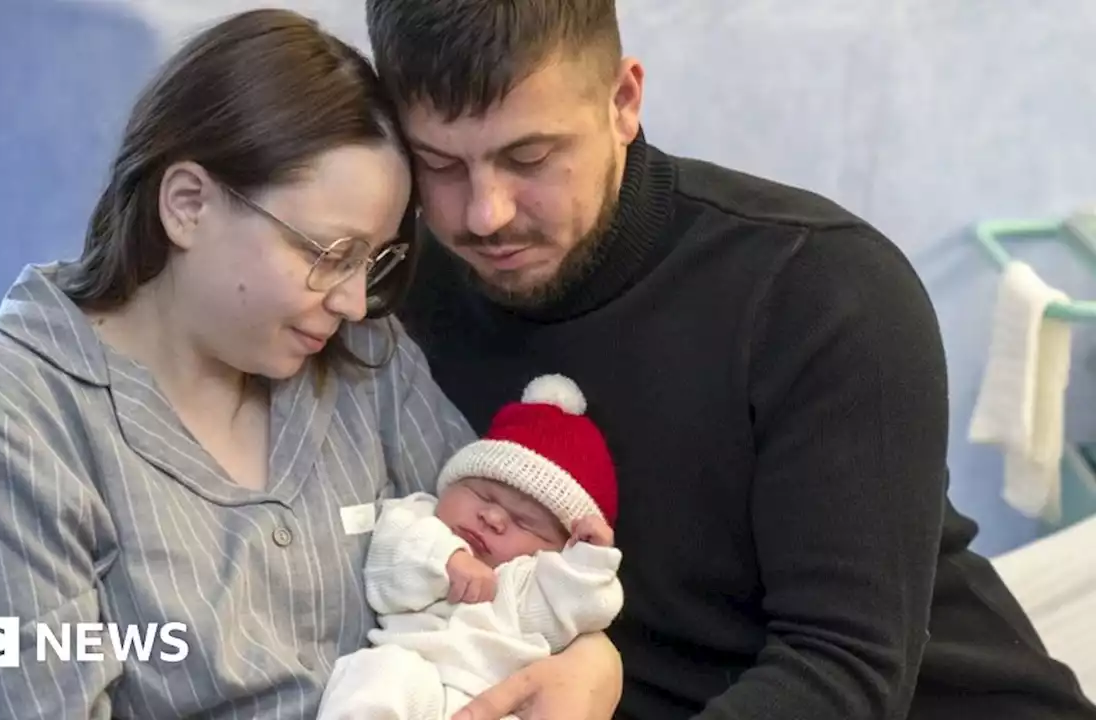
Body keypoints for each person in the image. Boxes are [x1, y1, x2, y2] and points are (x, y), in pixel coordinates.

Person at [0, 9, 622, 720]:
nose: (356, 302)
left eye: (374, 260)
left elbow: (501, 580)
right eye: (329, 254)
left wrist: (592, 664)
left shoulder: (365, 361)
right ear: (189, 203)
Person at [362, 1, 1096, 719]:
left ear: (623, 100)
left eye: (528, 157)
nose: (483, 214)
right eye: (440, 165)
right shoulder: (398, 290)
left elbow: (844, 670)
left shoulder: (819, 290)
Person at [317, 374, 624, 720]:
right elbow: (388, 566)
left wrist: (590, 560)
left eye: (523, 521)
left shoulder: (526, 582)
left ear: (555, 549)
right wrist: (445, 559)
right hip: (413, 674)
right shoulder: (419, 518)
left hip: (497, 698)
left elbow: (584, 606)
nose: (492, 517)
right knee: (375, 674)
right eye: (482, 494)